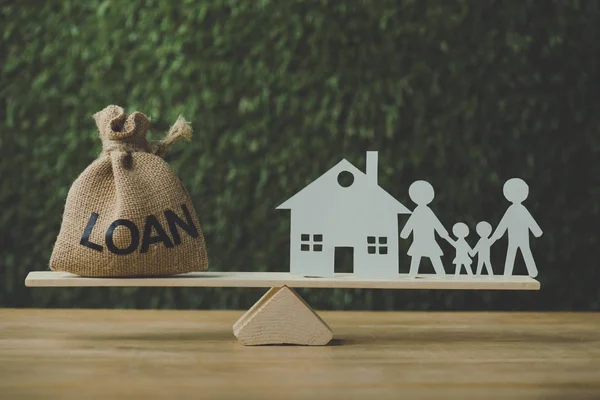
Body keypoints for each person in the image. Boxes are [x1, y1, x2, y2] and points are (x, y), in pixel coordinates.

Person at [490, 178, 543, 277]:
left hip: (520, 237)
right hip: (515, 238)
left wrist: (537, 231)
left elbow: (529, 221)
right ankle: (509, 273)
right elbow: (503, 224)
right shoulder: (513, 210)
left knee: (521, 252)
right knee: (515, 252)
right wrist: (537, 232)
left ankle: (528, 272)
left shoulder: (519, 210)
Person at [400, 180, 452, 278]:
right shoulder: (418, 211)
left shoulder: (427, 211)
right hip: (420, 240)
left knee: (432, 256)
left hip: (428, 240)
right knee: (417, 257)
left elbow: (435, 223)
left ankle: (441, 274)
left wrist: (442, 232)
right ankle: (413, 274)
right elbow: (411, 223)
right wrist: (405, 233)